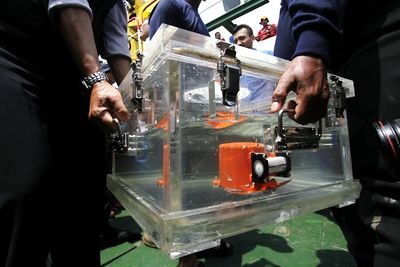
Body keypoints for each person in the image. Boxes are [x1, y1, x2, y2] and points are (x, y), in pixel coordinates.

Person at [0, 0, 131, 266]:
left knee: (84, 194)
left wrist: (137, 106)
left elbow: (117, 44)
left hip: (74, 74)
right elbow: (69, 2)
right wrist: (96, 77)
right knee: (27, 185)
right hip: (15, 52)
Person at [271, 1, 400, 266]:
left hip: (371, 62)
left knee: (386, 208)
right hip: (338, 89)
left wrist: (311, 44)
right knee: (358, 219)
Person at [147, 1, 233, 267]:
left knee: (201, 178)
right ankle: (188, 256)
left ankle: (201, 240)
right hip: (180, 111)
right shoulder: (170, 5)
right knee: (183, 180)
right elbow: (157, 60)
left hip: (199, 108)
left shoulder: (190, 13)